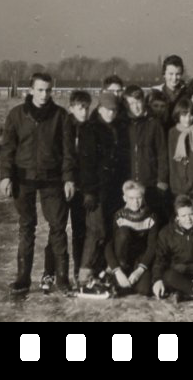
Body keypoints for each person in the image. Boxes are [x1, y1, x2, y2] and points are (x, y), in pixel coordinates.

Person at [0, 73, 75, 295]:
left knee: (58, 227)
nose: (44, 95)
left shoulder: (61, 116)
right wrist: (6, 176)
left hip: (52, 180)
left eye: (48, 90)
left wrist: (68, 178)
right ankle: (23, 278)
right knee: (26, 227)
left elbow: (68, 152)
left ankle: (62, 278)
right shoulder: (16, 115)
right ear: (31, 90)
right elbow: (7, 149)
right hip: (23, 180)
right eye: (40, 90)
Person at [77, 91, 130, 287]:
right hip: (97, 190)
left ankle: (105, 272)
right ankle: (85, 273)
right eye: (107, 110)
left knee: (110, 231)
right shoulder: (91, 129)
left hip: (114, 190)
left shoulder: (117, 128)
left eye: (114, 110)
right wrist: (89, 191)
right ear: (99, 109)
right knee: (96, 231)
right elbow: (86, 163)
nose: (111, 114)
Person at [42, 89, 91, 292]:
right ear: (71, 108)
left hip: (81, 187)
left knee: (80, 231)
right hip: (62, 184)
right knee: (57, 229)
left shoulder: (89, 128)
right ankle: (49, 272)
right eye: (80, 108)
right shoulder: (64, 125)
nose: (84, 112)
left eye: (87, 108)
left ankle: (79, 273)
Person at [123, 85, 170, 226]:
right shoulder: (124, 124)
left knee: (152, 221)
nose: (135, 107)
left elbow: (162, 153)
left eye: (138, 102)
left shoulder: (153, 123)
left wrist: (162, 180)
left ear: (144, 102)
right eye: (131, 103)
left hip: (150, 182)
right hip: (130, 182)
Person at [103, 180, 159, 296]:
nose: (135, 202)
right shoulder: (119, 215)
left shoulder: (152, 217)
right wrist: (117, 271)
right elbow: (109, 245)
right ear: (124, 198)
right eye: (131, 198)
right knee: (123, 231)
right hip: (122, 259)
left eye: (138, 197)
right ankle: (118, 276)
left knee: (144, 290)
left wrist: (139, 271)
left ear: (143, 197)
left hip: (141, 260)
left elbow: (152, 246)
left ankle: (128, 281)